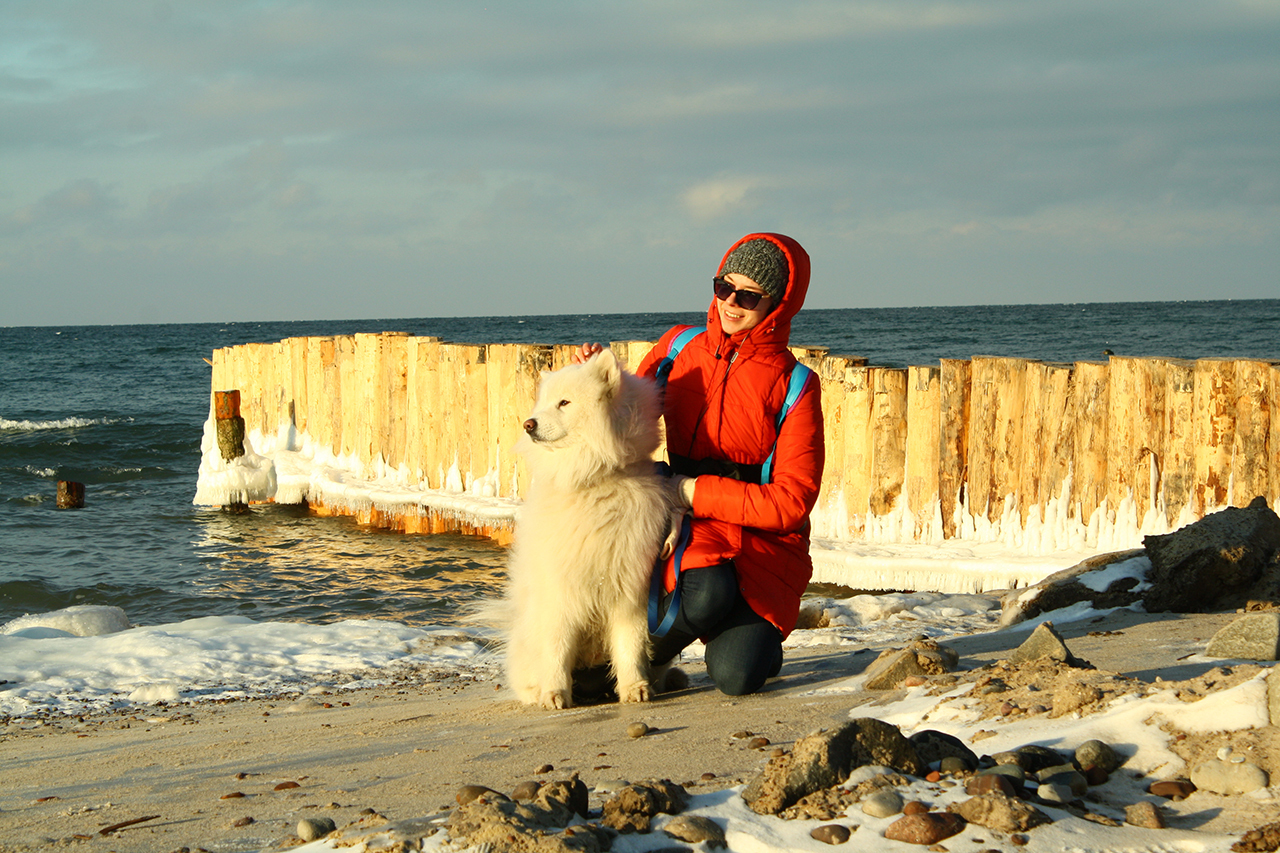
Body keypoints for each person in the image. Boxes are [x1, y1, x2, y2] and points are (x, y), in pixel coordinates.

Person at [573, 232, 824, 697]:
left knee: (737, 676)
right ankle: (634, 666)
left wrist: (688, 490)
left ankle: (760, 643)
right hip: (687, 521)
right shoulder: (679, 346)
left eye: (748, 295)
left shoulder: (797, 385)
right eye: (723, 287)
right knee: (707, 590)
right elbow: (623, 415)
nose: (731, 302)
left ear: (779, 304)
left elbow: (792, 503)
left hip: (762, 539)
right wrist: (594, 381)